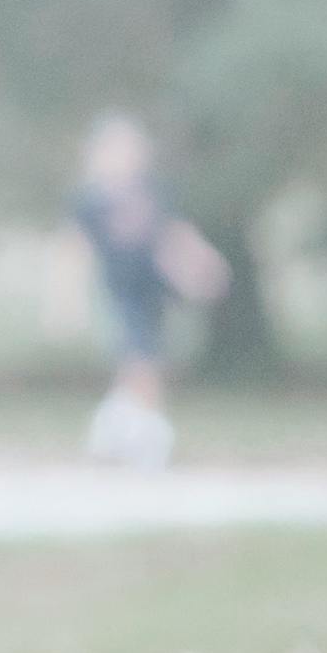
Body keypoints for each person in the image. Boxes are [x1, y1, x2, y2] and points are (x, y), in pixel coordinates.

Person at [68, 114, 226, 470]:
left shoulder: (152, 193)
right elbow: (73, 250)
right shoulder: (91, 201)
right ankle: (147, 442)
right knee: (141, 367)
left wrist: (200, 267)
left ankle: (109, 435)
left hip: (153, 293)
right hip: (118, 293)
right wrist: (68, 301)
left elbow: (174, 237)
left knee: (143, 367)